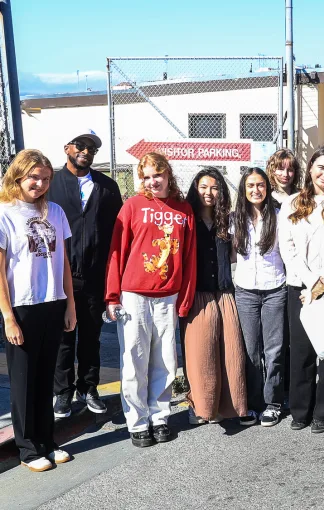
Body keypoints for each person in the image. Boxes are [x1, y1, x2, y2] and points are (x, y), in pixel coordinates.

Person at [105, 152, 196, 448]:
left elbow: (189, 257)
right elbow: (117, 252)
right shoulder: (131, 207)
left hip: (168, 295)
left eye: (157, 175)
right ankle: (138, 421)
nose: (152, 181)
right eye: (145, 176)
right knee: (134, 360)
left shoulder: (184, 210)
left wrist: (185, 297)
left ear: (168, 175)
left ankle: (160, 416)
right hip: (134, 295)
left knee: (166, 359)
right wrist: (112, 295)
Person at [0, 149, 77, 472]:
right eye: (34, 177)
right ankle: (29, 448)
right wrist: (7, 316)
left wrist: (70, 303)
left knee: (46, 378)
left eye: (46, 179)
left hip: (53, 302)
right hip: (23, 306)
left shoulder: (55, 211)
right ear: (19, 175)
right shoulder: (4, 213)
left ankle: (47, 440)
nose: (40, 184)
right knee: (24, 381)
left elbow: (65, 264)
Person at [278, 146, 324, 434]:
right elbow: (288, 248)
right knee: (302, 351)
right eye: (321, 168)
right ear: (310, 168)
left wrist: (322, 283)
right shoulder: (293, 203)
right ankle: (301, 410)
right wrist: (310, 283)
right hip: (300, 287)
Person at [47, 130, 122, 418]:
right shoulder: (51, 183)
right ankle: (62, 393)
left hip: (94, 276)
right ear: (67, 147)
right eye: (81, 145)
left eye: (92, 148)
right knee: (64, 338)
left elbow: (117, 233)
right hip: (60, 275)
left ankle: (88, 387)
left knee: (92, 336)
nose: (86, 151)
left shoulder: (106, 187)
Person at [181, 168, 247, 426]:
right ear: (195, 189)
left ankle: (229, 407)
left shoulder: (227, 221)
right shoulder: (186, 219)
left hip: (224, 292)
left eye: (215, 188)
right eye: (204, 187)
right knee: (201, 356)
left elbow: (234, 256)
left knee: (231, 354)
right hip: (197, 294)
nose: (209, 193)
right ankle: (199, 405)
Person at [233, 167, 288, 427]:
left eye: (261, 185)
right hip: (245, 292)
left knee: (274, 350)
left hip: (275, 290)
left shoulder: (279, 216)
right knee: (250, 350)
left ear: (268, 188)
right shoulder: (235, 220)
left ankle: (274, 403)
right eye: (251, 186)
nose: (256, 190)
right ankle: (253, 403)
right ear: (244, 190)